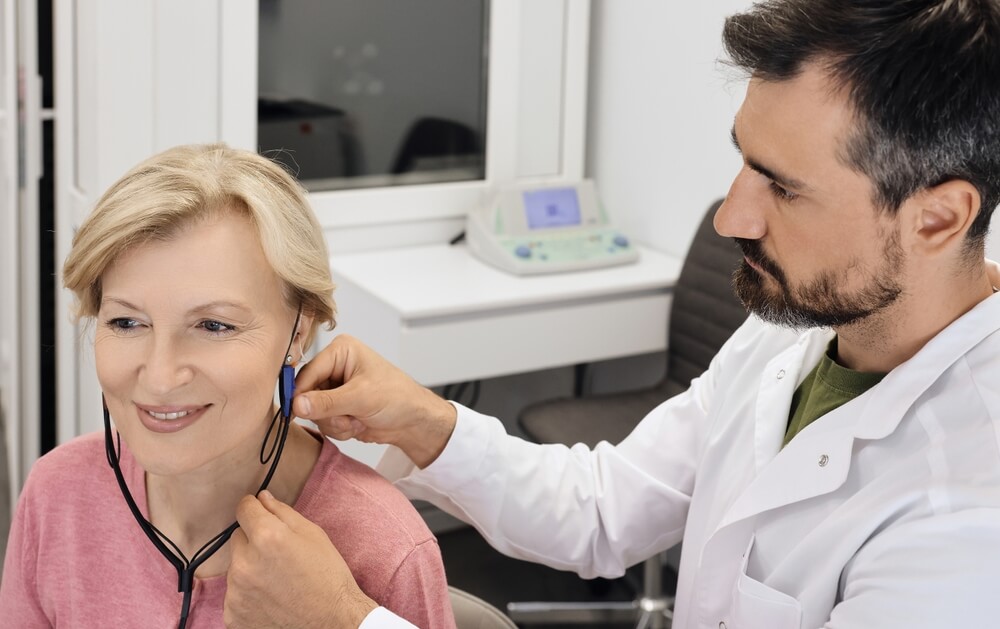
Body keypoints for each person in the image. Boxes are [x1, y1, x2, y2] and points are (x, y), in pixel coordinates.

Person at [218, 1, 1000, 628]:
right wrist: (426, 421)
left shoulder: (967, 522)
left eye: (784, 187)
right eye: (742, 160)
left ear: (936, 219)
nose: (731, 216)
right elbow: (605, 507)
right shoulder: (795, 330)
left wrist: (347, 623)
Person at [0, 144, 456, 628]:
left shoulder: (385, 550)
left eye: (214, 326)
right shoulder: (58, 494)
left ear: (297, 333)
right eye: (127, 322)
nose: (159, 376)